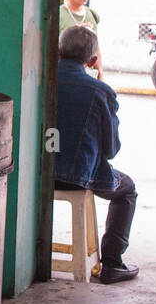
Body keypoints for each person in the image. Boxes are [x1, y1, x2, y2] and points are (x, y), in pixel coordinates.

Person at [53, 25, 138, 284]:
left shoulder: (39, 80)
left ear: (58, 52)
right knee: (128, 190)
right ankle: (112, 263)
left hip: (38, 175)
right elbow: (112, 150)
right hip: (78, 177)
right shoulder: (100, 91)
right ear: (92, 61)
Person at [59, 0, 103, 78]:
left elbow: (96, 47)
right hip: (66, 73)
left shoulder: (92, 15)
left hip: (88, 74)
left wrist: (100, 74)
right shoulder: (59, 15)